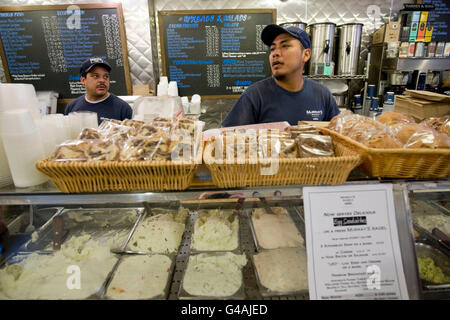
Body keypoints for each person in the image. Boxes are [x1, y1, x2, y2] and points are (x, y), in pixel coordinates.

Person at [222, 24, 339, 127]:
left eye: (285, 46)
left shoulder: (322, 95)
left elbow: (339, 135)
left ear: (306, 54)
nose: (275, 53)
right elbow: (228, 138)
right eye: (272, 49)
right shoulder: (255, 96)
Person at [64, 57, 132, 124]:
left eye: (106, 76)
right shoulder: (72, 107)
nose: (102, 80)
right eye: (96, 76)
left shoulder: (123, 109)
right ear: (83, 80)